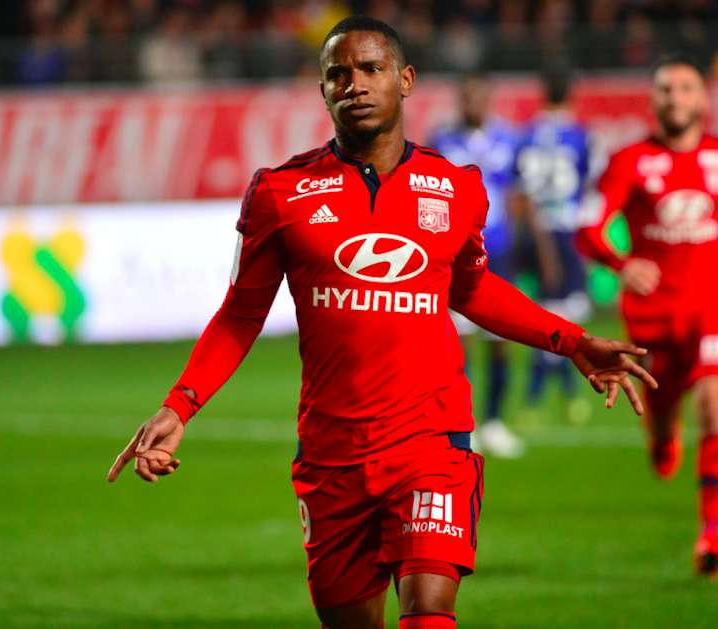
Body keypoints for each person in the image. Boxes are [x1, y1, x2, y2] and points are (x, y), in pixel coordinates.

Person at [108, 17, 656, 629]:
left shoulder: (456, 188)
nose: (355, 85)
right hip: (332, 454)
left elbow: (471, 288)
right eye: (338, 74)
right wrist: (179, 405)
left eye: (371, 68)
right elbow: (241, 314)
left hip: (432, 440)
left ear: (406, 79)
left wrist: (571, 341)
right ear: (322, 90)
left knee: (430, 609)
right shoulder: (279, 193)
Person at [576, 53, 718, 578]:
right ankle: (660, 434)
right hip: (652, 315)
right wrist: (621, 264)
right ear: (654, 101)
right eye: (666, 89)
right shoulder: (629, 161)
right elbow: (589, 229)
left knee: (715, 404)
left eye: (685, 88)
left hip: (715, 304)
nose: (675, 97)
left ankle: (711, 536)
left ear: (703, 99)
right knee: (663, 413)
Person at [428, 72, 553, 458]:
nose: (473, 105)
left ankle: (495, 422)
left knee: (500, 342)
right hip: (456, 256)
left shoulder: (510, 140)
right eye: (467, 98)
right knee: (458, 345)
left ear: (489, 102)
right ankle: (463, 422)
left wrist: (537, 249)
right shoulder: (441, 141)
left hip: (499, 253)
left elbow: (521, 195)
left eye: (479, 98)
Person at [516, 70, 593, 425]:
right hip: (565, 232)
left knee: (547, 315)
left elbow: (520, 190)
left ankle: (544, 397)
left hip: (534, 232)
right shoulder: (581, 135)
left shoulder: (527, 135)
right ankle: (552, 396)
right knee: (564, 318)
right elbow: (589, 188)